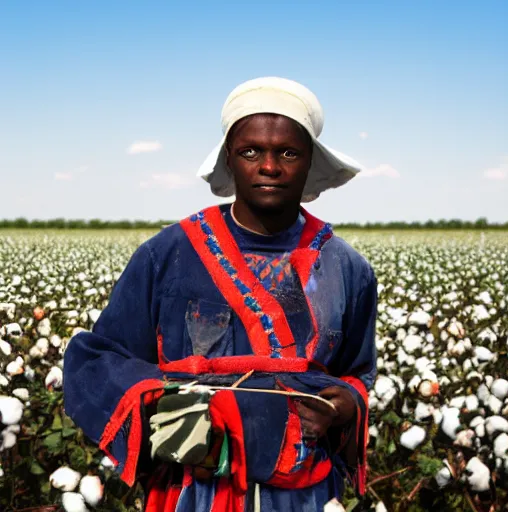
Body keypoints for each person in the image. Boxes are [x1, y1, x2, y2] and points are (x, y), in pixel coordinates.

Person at [63, 77, 377, 511]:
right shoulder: (167, 255)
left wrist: (343, 407)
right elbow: (99, 358)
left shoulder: (347, 268)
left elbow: (357, 373)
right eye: (251, 151)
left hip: (305, 491)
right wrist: (171, 413)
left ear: (309, 163)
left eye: (288, 152)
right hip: (195, 489)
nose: (270, 166)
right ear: (229, 159)